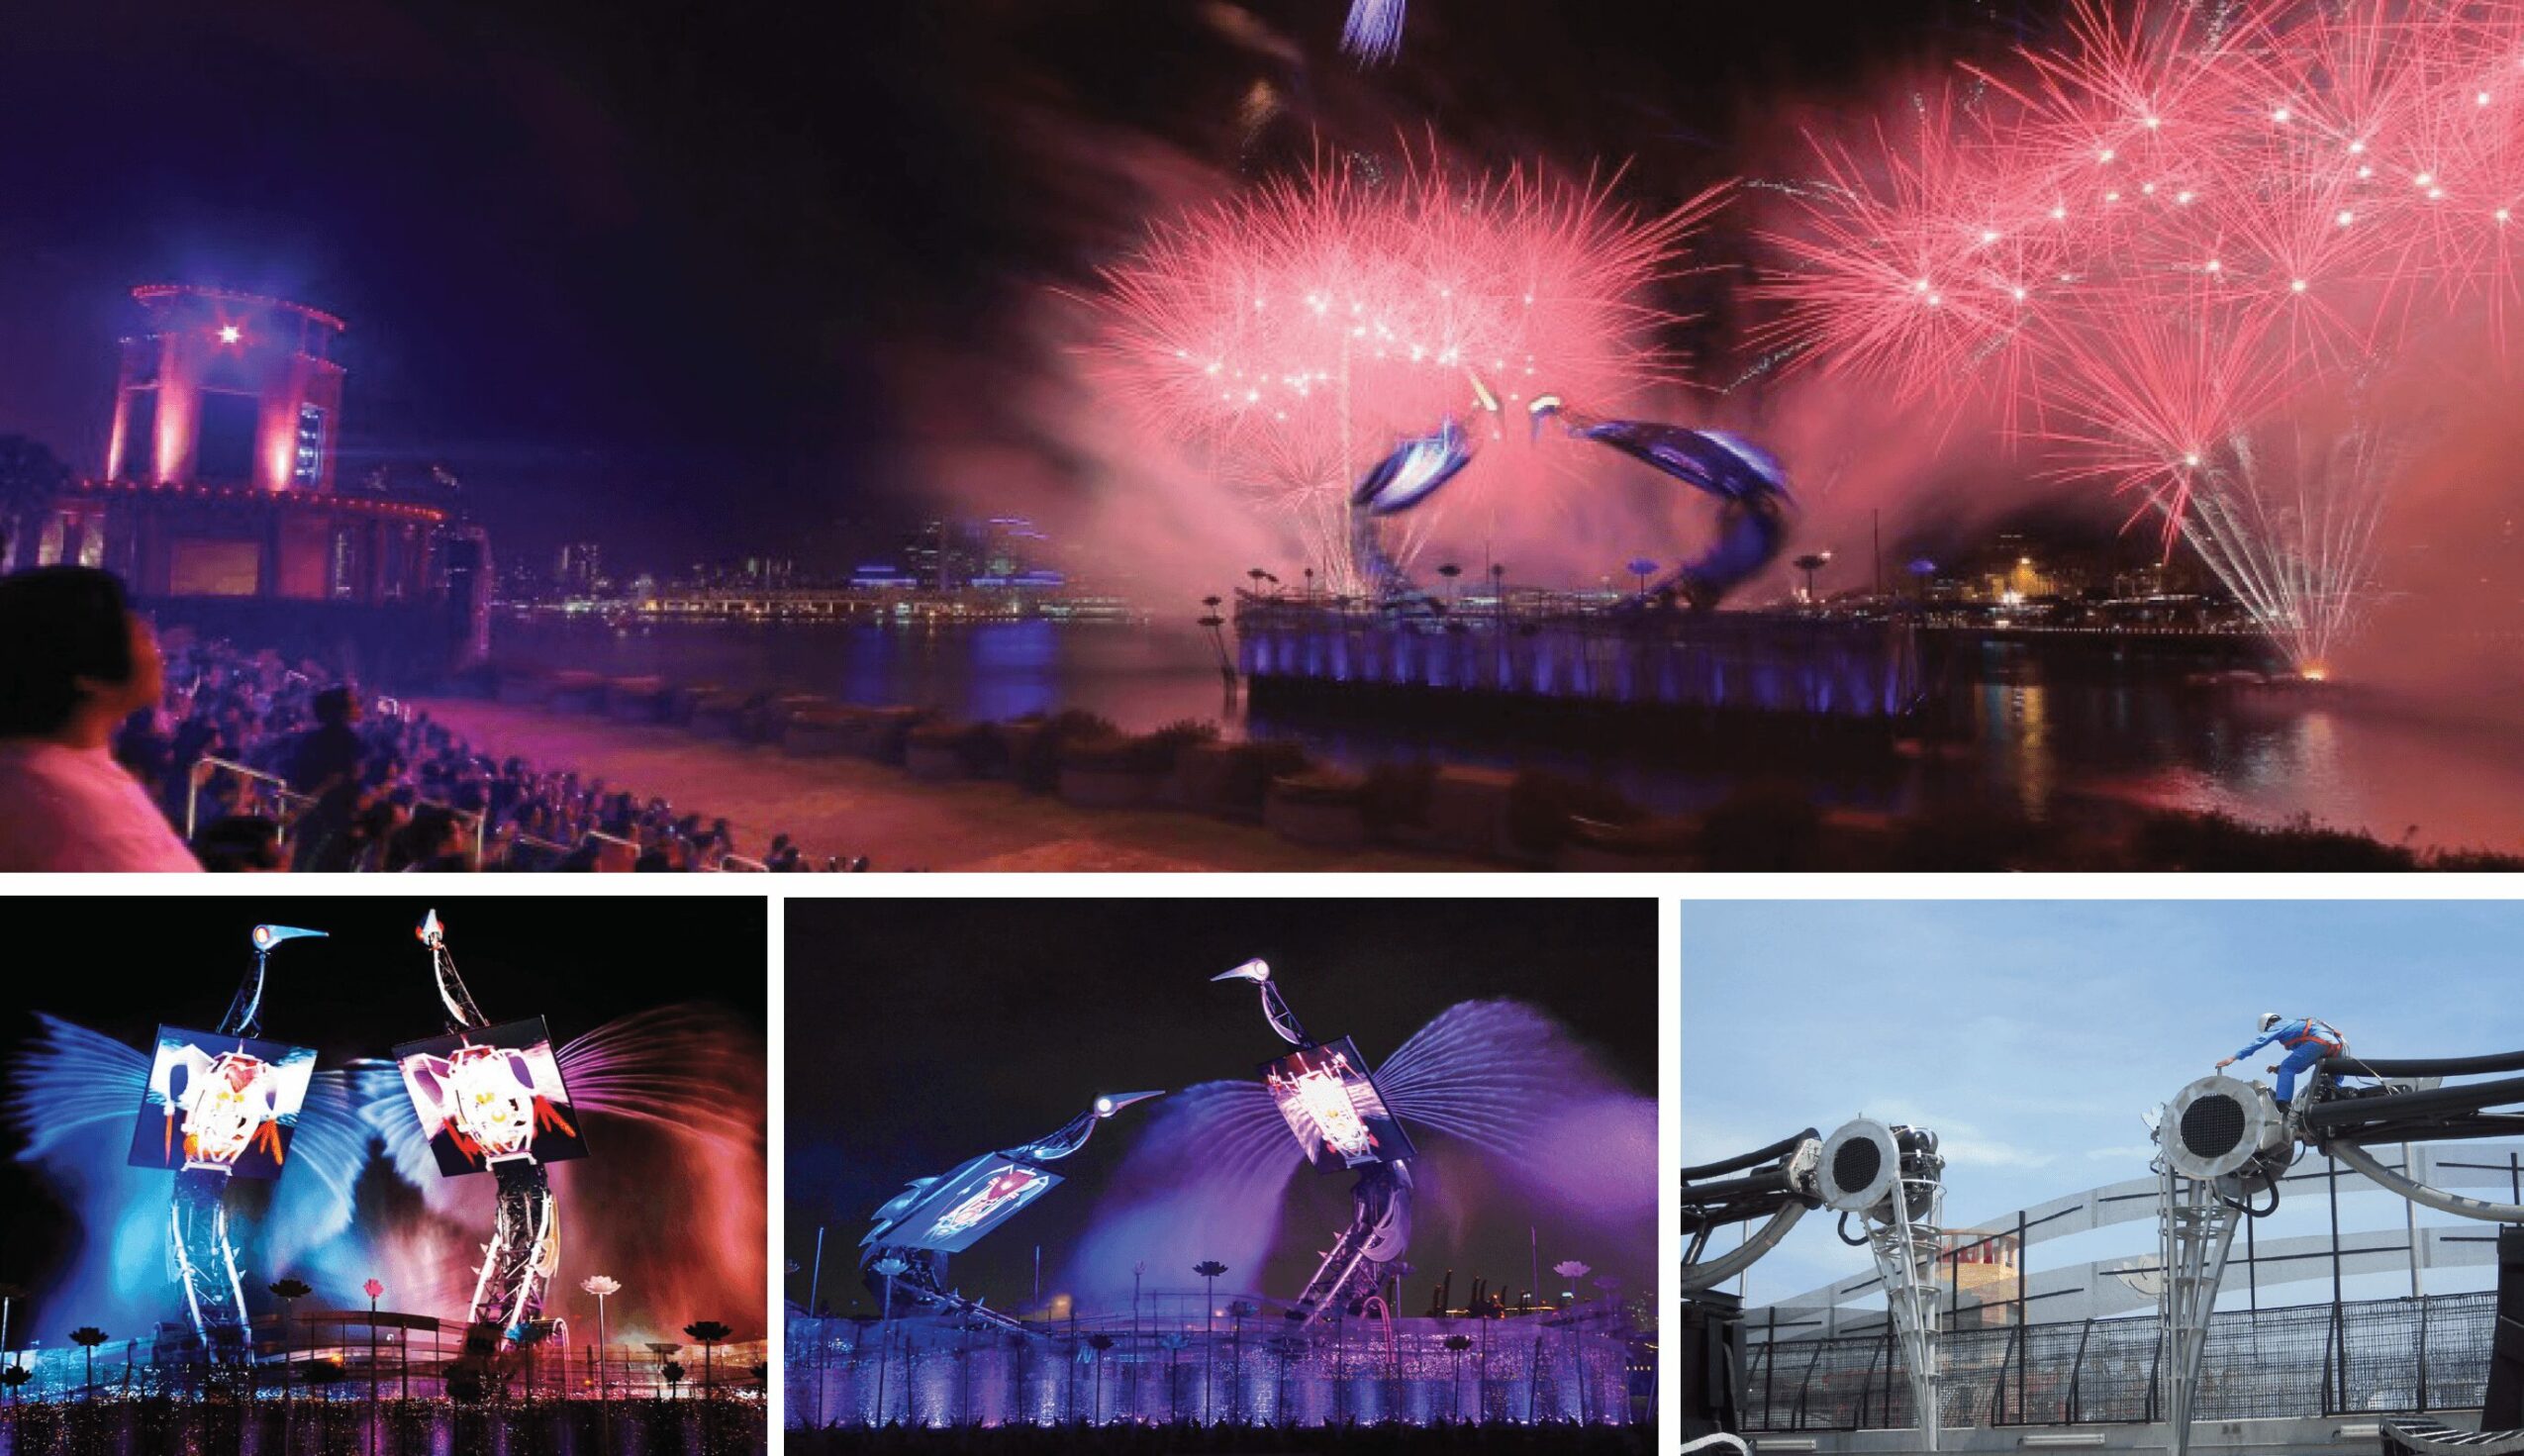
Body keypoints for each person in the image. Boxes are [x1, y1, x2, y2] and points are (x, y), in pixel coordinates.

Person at [0, 567, 201, 871]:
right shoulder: (68, 807)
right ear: (86, 673)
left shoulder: (58, 769)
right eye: (140, 632)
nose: (157, 647)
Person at [2218, 1013, 2347, 1108]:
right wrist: (2279, 1069)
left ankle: (2283, 1104)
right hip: (2338, 1046)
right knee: (2331, 1083)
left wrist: (2234, 1057)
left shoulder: (2278, 1025)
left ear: (2269, 1024)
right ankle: (2338, 1103)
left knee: (2288, 1067)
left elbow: (2260, 1041)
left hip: (2320, 1042)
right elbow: (2304, 1061)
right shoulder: (2296, 1024)